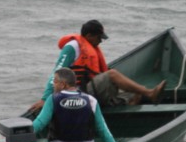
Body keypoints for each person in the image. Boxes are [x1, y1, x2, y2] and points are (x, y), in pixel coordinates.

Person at [29, 20, 166, 113]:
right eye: (99, 38)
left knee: (135, 92)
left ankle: (123, 122)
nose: (100, 41)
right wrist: (45, 99)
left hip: (92, 91)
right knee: (112, 74)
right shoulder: (72, 47)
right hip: (77, 93)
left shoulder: (91, 47)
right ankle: (149, 93)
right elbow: (56, 73)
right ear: (89, 36)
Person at [32, 67, 118, 142]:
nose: (53, 85)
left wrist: (22, 135)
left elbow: (39, 123)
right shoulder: (91, 100)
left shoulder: (53, 99)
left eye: (55, 82)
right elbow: (102, 130)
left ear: (63, 85)